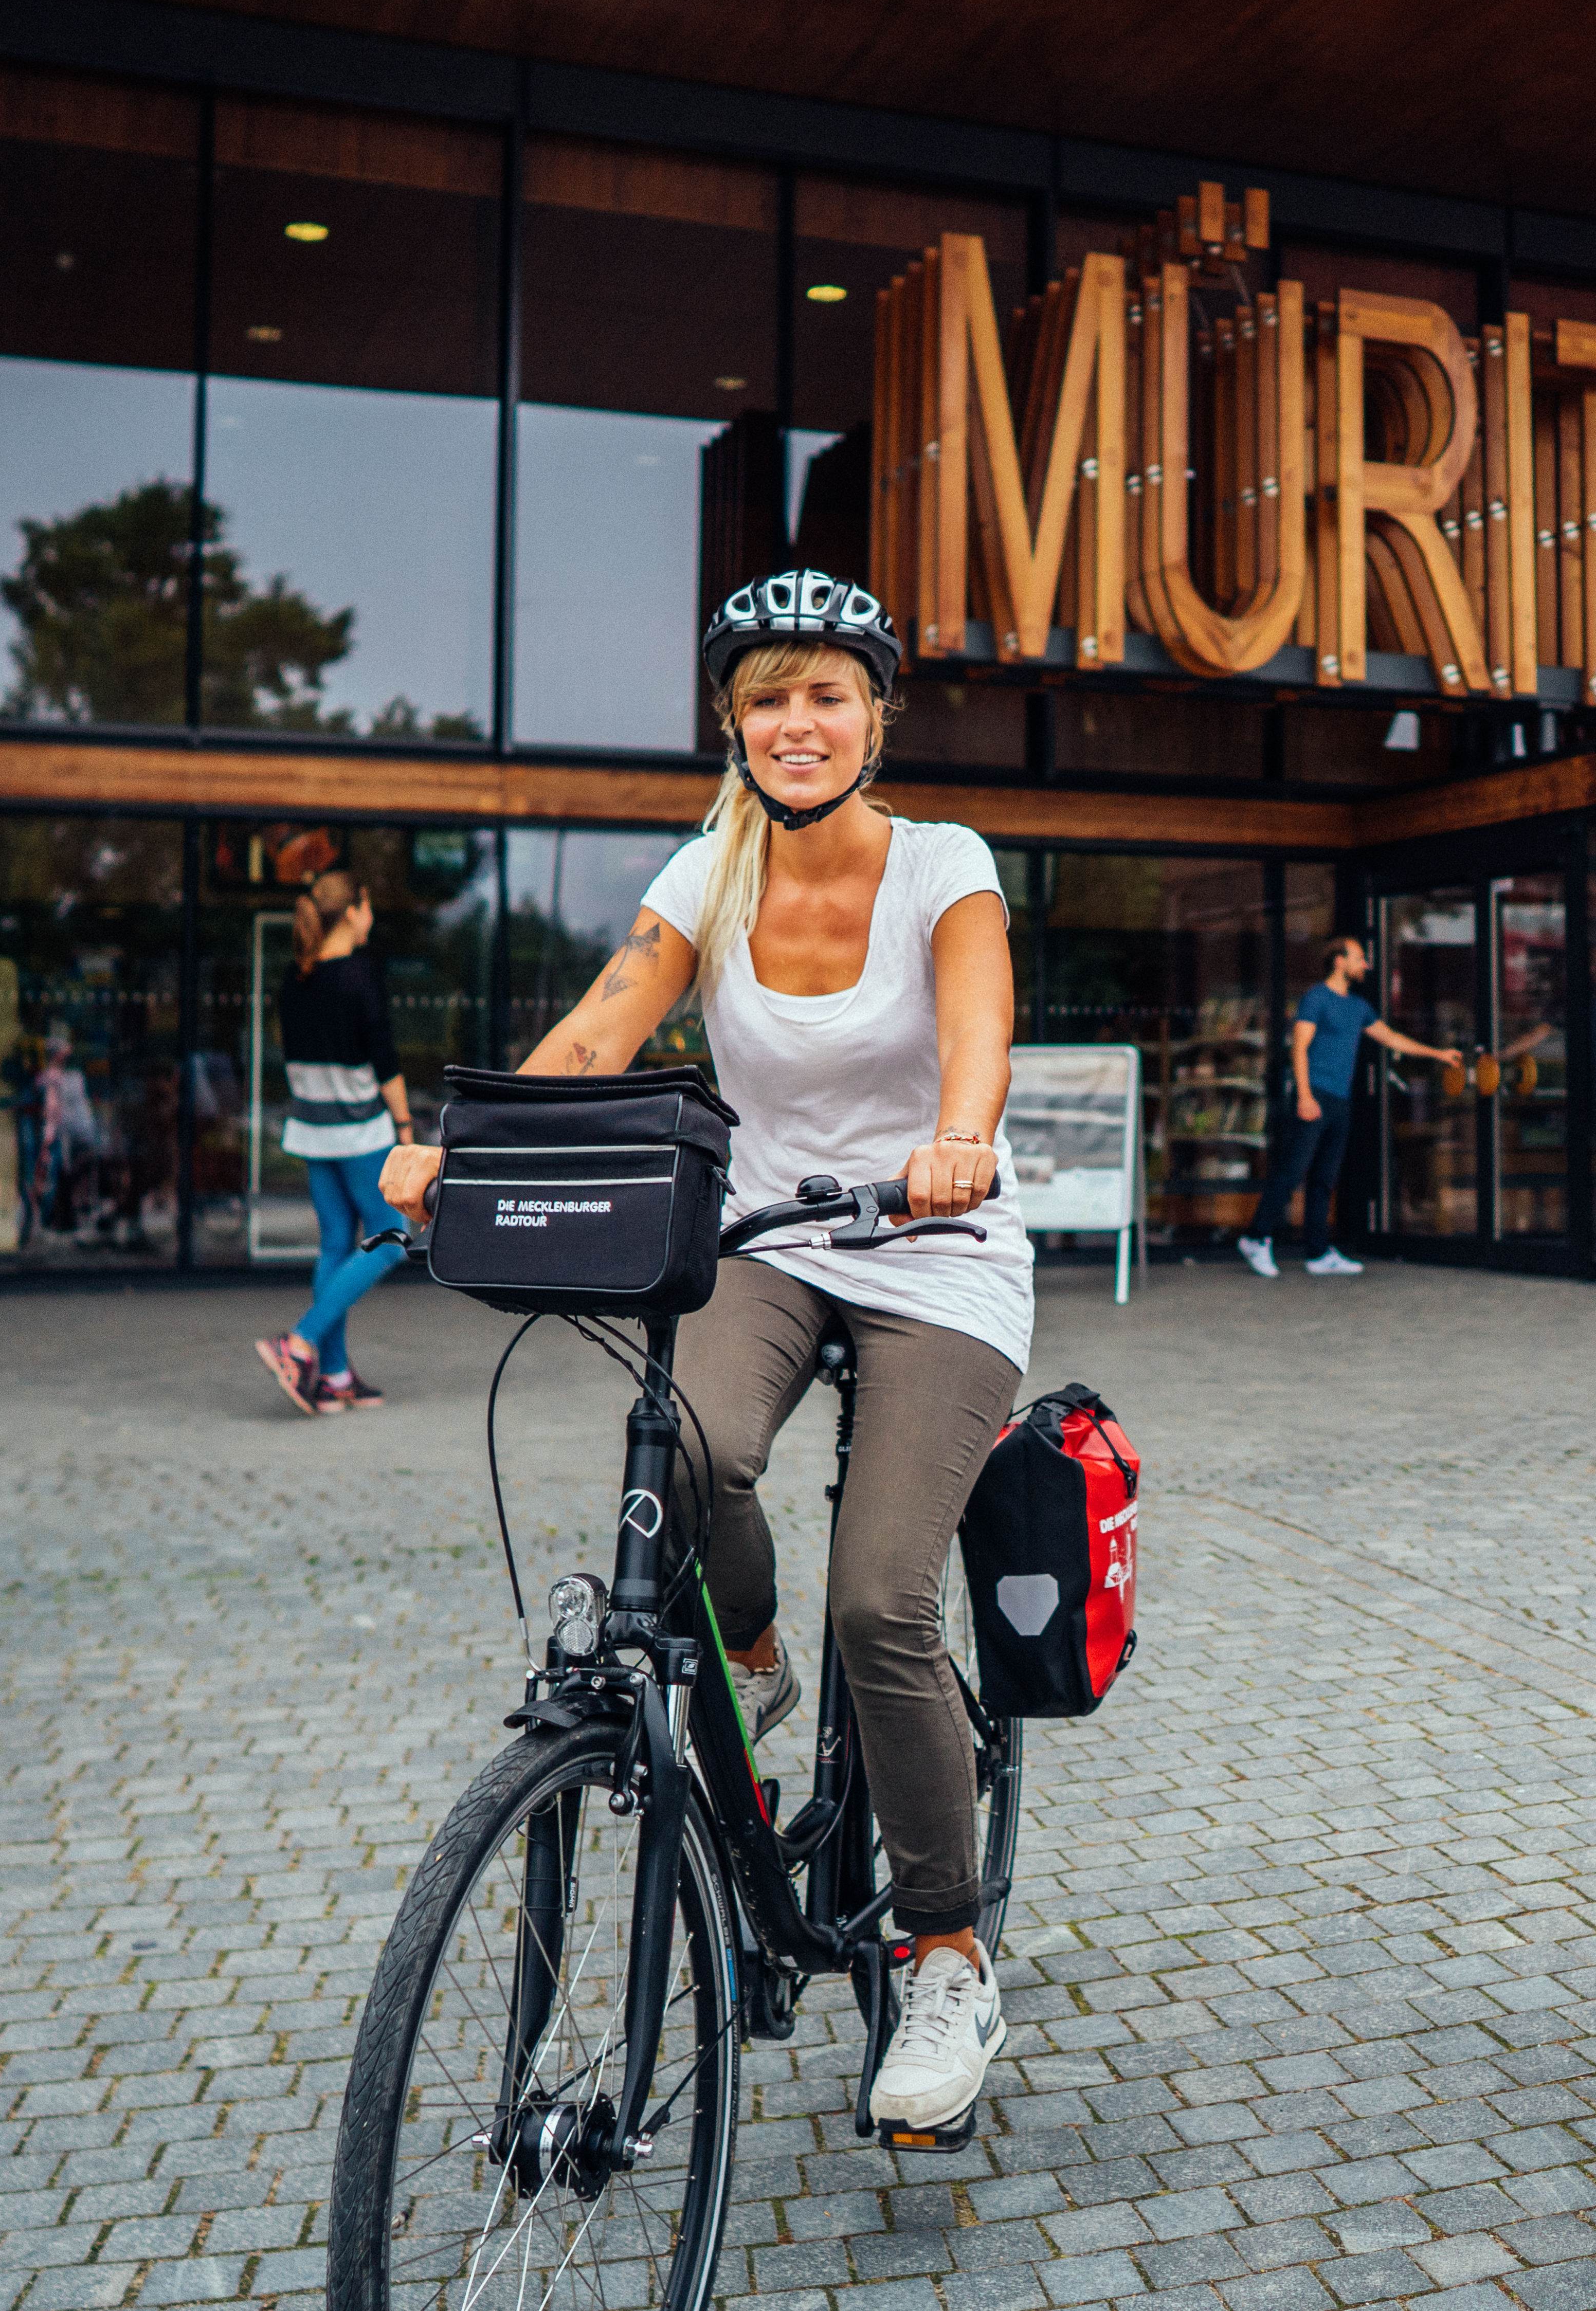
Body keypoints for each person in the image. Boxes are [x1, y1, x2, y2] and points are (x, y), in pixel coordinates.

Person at [378, 569, 1027, 2133]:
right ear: (732, 723)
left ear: (874, 717)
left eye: (822, 694)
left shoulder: (943, 861)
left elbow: (978, 1019)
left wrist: (960, 1135)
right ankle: (746, 1653)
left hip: (934, 1247)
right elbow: (607, 1020)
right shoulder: (712, 866)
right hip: (768, 1243)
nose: (793, 723)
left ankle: (945, 1948)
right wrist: (473, 1151)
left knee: (883, 1594)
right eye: (766, 696)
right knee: (678, 1442)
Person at [255, 870, 410, 1414]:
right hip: (360, 1128)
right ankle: (298, 1344)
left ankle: (336, 1379)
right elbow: (384, 1060)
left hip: (312, 1129)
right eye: (367, 908)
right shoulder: (358, 976)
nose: (371, 920)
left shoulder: (295, 979)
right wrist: (407, 1128)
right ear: (351, 912)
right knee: (394, 1235)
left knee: (336, 1245)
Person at [1235, 935, 1461, 1277]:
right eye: (1359, 958)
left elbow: (1392, 1038)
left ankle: (1318, 1253)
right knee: (1293, 1171)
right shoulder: (1316, 999)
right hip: (1315, 1095)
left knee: (1325, 1177)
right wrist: (1306, 1095)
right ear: (1339, 961)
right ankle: (1256, 1237)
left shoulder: (1358, 1006)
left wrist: (1438, 1054)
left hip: (1340, 1100)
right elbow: (1298, 1049)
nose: (1366, 965)